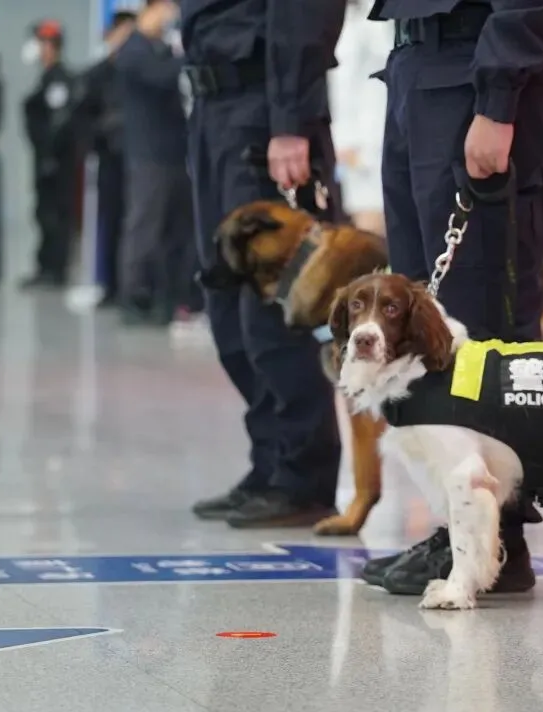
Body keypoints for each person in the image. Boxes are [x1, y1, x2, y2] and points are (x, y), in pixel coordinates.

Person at [357, 0, 543, 597]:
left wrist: (497, 98)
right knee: (426, 320)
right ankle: (462, 528)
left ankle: (499, 539)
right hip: (418, 63)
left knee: (478, 317)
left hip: (477, 65)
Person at [181, 0, 348, 528]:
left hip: (264, 114)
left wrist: (291, 122)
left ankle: (303, 477)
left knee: (273, 311)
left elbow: (305, 15)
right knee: (225, 301)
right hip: (213, 110)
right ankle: (271, 463)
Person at [114, 0, 195, 326]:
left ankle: (168, 294)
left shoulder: (158, 48)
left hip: (173, 153)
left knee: (173, 230)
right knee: (144, 228)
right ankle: (134, 295)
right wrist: (191, 54)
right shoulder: (133, 50)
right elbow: (163, 76)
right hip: (148, 156)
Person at [19, 20, 84, 290]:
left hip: (57, 162)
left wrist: (50, 156)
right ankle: (45, 266)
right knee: (44, 213)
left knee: (55, 215)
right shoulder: (47, 78)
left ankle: (54, 269)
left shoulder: (59, 79)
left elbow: (60, 122)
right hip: (48, 159)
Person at [80, 10, 136, 308]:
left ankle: (137, 288)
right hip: (110, 158)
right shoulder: (97, 75)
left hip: (141, 158)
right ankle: (110, 284)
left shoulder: (141, 71)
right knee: (111, 220)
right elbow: (83, 118)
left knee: (139, 222)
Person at [328, 0, 393, 236]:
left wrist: (352, 139)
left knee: (374, 220)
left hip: (371, 137)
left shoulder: (374, 20)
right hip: (346, 137)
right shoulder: (344, 16)